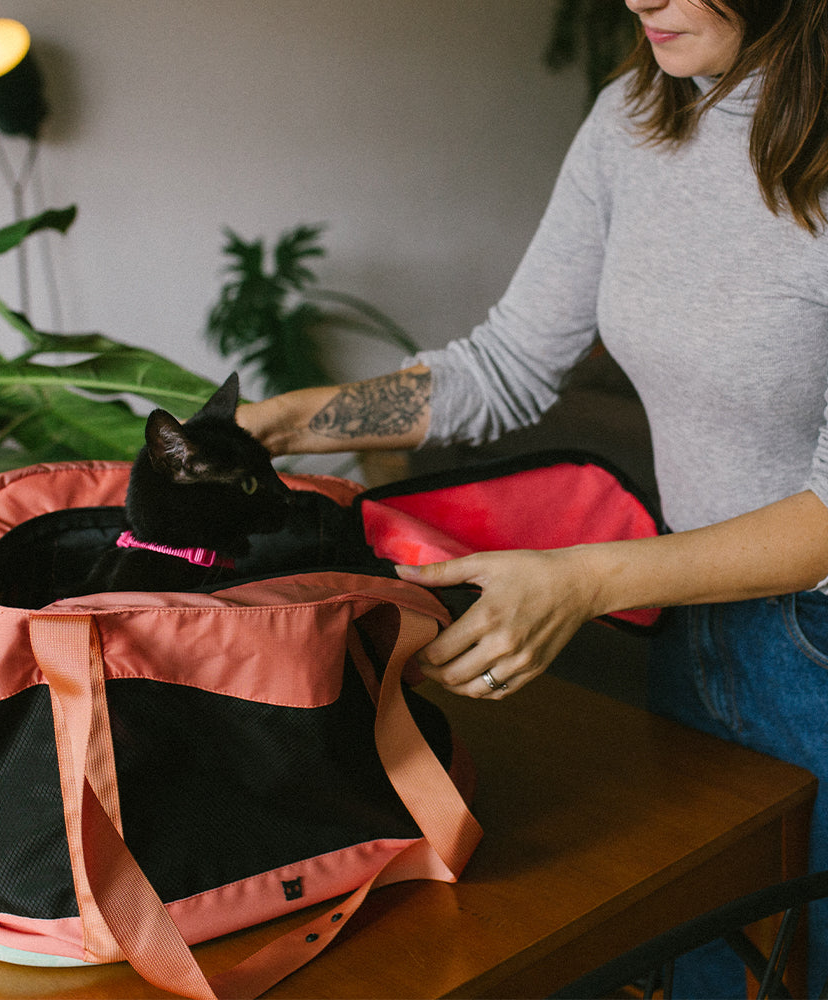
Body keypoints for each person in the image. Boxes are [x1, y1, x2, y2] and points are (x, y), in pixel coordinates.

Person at [238, 0, 828, 993]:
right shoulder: (634, 118)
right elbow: (508, 361)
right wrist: (298, 421)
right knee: (712, 956)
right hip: (697, 618)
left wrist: (580, 580)